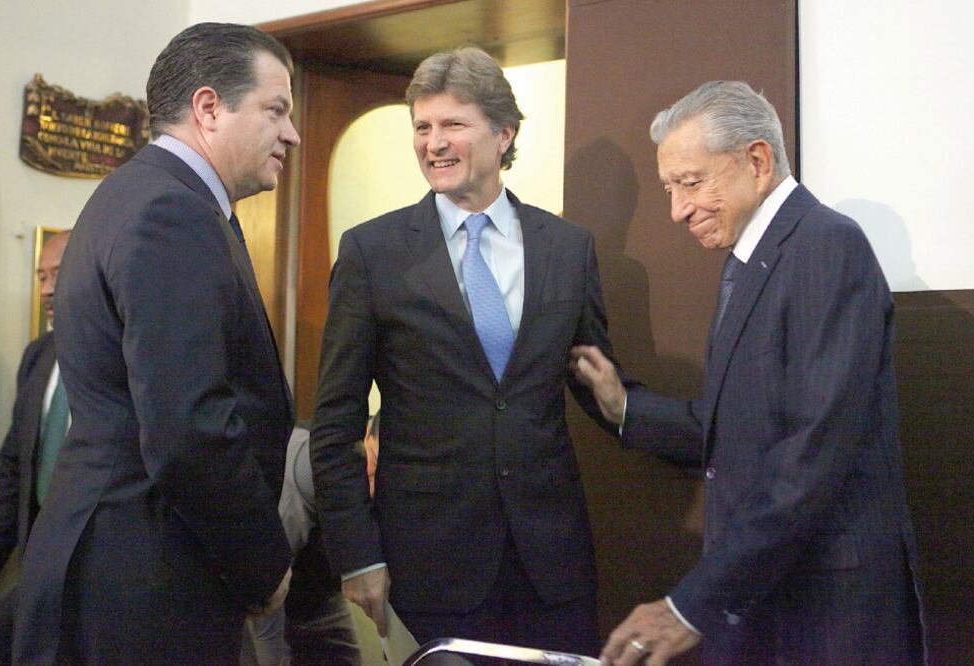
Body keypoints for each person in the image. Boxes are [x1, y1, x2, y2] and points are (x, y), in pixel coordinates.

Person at [571, 81, 926, 665]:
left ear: (757, 161)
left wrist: (691, 606)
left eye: (690, 183)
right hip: (772, 604)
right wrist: (625, 407)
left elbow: (811, 452)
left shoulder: (825, 246)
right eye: (669, 189)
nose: (677, 210)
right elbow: (740, 425)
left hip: (826, 615)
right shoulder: (757, 257)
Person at [310, 46, 619, 655]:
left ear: (504, 133)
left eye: (453, 124)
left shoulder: (566, 248)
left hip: (551, 566)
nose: (433, 143)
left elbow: (597, 385)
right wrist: (356, 556)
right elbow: (335, 424)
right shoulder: (373, 252)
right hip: (430, 566)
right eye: (422, 127)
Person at [12, 22, 300, 665]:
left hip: (125, 561)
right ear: (208, 107)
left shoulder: (141, 194)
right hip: (143, 577)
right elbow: (190, 425)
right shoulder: (171, 210)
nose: (292, 133)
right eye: (276, 110)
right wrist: (262, 565)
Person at [0, 231, 70, 664]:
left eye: (58, 275)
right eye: (41, 276)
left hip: (102, 573)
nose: (46, 288)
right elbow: (13, 471)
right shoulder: (38, 357)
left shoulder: (124, 355)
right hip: (40, 568)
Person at [243, 422, 362, 666]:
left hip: (321, 593)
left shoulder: (394, 478)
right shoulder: (306, 470)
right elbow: (266, 588)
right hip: (262, 597)